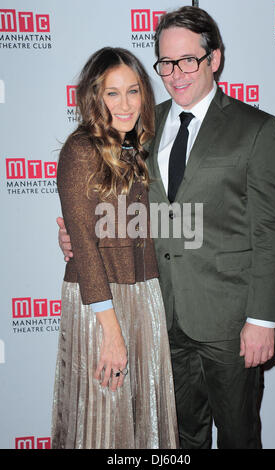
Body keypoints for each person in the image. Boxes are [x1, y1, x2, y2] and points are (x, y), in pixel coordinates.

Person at [58, 7, 275, 449]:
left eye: (188, 60)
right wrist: (78, 233)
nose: (176, 73)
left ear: (214, 59)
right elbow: (115, 202)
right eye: (166, 63)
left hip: (230, 323)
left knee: (240, 436)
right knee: (180, 439)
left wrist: (262, 319)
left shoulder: (257, 129)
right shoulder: (142, 127)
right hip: (159, 317)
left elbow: (273, 231)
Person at [52, 47, 178, 449]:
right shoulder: (81, 149)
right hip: (102, 303)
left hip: (143, 295)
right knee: (106, 425)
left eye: (134, 91)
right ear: (94, 98)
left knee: (141, 428)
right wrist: (111, 333)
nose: (125, 104)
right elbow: (86, 249)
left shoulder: (134, 147)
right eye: (112, 93)